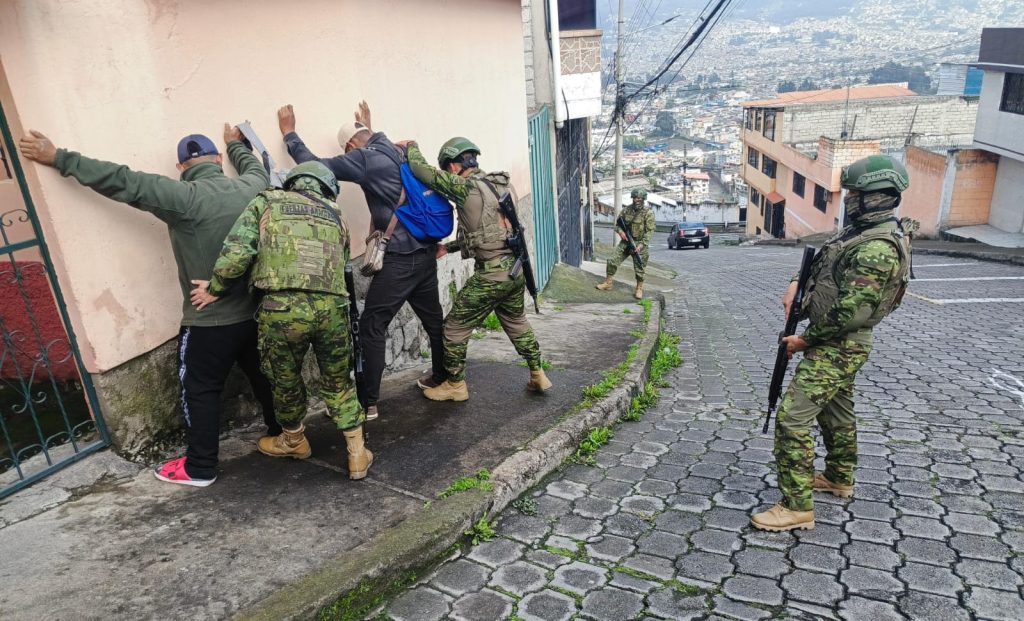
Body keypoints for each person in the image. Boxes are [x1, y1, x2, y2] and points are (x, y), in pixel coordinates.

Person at [18, 126, 278, 488]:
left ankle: (200, 467)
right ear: (218, 160)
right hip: (255, 311)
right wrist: (236, 144)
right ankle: (284, 434)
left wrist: (59, 158)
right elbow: (256, 167)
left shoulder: (183, 197)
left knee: (199, 388)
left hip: (210, 320)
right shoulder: (251, 186)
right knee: (265, 375)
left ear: (181, 166)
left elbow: (125, 181)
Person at [752, 154, 916, 532]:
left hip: (838, 344)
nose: (849, 200)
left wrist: (804, 341)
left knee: (792, 419)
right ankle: (839, 478)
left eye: (855, 193)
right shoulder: (859, 231)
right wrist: (796, 283)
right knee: (836, 412)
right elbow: (822, 261)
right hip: (836, 342)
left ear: (876, 196)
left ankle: (796, 507)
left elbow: (851, 312)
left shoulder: (876, 247)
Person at [190, 162, 372, 480]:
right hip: (332, 308)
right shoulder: (336, 214)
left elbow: (238, 251)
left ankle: (294, 441)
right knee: (339, 381)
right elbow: (343, 266)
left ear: (293, 182)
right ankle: (357, 454)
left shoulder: (267, 201)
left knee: (285, 379)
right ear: (326, 187)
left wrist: (215, 288)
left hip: (281, 308)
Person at [276, 102, 445, 422]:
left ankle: (367, 403)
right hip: (426, 253)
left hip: (400, 258)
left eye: (348, 149)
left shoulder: (366, 158)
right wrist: (366, 123)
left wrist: (290, 135)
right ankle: (445, 378)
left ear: (351, 147)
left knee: (371, 326)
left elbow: (315, 167)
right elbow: (374, 146)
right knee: (434, 321)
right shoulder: (398, 148)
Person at [403, 137, 551, 402]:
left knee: (454, 327)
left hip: (491, 275)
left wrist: (411, 147)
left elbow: (422, 172)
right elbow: (489, 233)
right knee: (517, 322)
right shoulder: (501, 185)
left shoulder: (464, 187)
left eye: (447, 168)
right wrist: (447, 249)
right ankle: (538, 373)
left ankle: (455, 385)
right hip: (514, 271)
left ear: (453, 166)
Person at [595, 188, 655, 299]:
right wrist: (621, 232)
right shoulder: (626, 211)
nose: (637, 200)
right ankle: (608, 282)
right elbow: (617, 225)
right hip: (626, 241)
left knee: (640, 267)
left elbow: (650, 232)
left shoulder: (648, 213)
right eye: (635, 198)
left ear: (643, 199)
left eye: (639, 198)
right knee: (612, 260)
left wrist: (641, 245)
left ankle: (639, 288)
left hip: (640, 243)